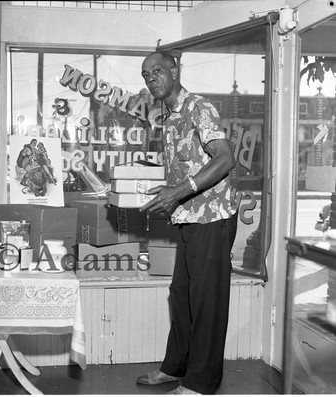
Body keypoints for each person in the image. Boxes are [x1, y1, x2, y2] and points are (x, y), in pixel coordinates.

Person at [137, 52, 238, 395]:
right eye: (145, 74)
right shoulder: (167, 119)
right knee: (181, 295)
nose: (151, 78)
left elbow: (225, 159)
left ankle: (200, 384)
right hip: (190, 218)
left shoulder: (199, 108)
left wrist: (179, 191)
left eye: (157, 71)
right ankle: (176, 366)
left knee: (207, 300)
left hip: (213, 218)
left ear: (175, 71)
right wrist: (169, 198)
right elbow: (187, 171)